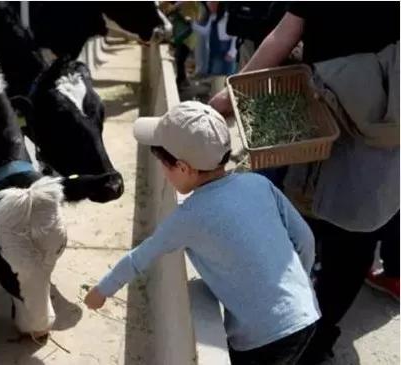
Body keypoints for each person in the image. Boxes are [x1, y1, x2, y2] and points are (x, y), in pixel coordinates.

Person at [209, 3, 399, 363]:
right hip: (331, 112)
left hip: (359, 117)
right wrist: (229, 96)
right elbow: (286, 32)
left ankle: (314, 334)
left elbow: (284, 33)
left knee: (341, 231)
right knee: (326, 227)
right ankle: (305, 328)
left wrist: (227, 97)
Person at [84, 101, 320, 365]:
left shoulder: (189, 216)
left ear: (183, 168)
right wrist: (300, 285)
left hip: (262, 337)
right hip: (307, 311)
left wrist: (101, 291)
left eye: (163, 164)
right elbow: (305, 240)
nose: (163, 171)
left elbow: (140, 257)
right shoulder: (258, 182)